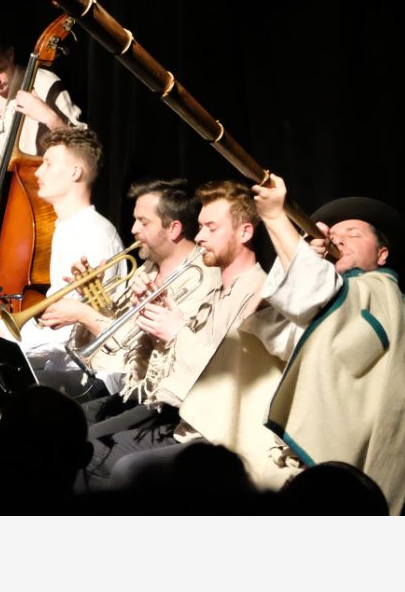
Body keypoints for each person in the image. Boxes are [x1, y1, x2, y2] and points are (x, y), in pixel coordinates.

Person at [249, 174, 405, 514]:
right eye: (333, 234)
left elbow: (313, 294)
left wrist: (276, 219)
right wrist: (299, 256)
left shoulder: (393, 303)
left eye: (353, 234)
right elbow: (271, 326)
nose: (337, 239)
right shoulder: (334, 305)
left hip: (346, 470)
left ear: (382, 254)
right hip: (301, 467)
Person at [86, 180, 279, 488]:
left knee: (110, 462)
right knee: (82, 443)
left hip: (215, 436)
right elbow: (159, 378)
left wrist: (177, 332)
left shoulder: (259, 295)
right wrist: (153, 322)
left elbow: (227, 381)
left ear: (245, 233)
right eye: (200, 227)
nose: (199, 237)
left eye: (211, 228)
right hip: (179, 419)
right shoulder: (215, 290)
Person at [0, 127, 124, 397]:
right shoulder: (66, 228)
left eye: (48, 164)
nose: (38, 172)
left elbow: (75, 332)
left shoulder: (93, 234)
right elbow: (55, 314)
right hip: (62, 365)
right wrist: (3, 331)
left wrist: (9, 342)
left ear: (75, 173)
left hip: (88, 379)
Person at [0, 20, 83, 267]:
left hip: (40, 225)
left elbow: (85, 152)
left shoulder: (45, 85)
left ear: (10, 54)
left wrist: (50, 118)